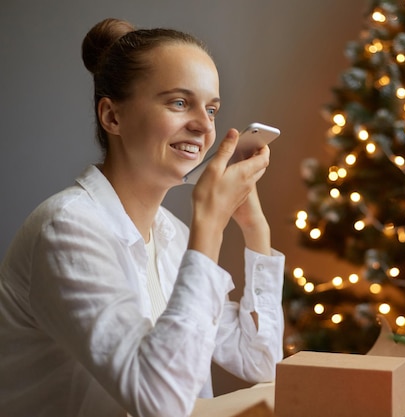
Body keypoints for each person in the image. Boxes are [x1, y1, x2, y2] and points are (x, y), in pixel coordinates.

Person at [0, 18, 285, 417]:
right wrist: (210, 224)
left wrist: (255, 230)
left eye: (212, 108)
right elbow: (159, 402)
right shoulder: (67, 230)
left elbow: (260, 362)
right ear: (112, 117)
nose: (204, 125)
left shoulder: (172, 237)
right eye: (179, 102)